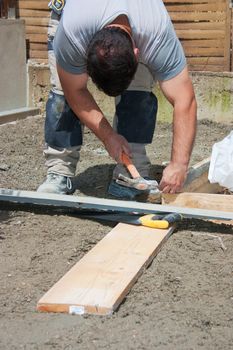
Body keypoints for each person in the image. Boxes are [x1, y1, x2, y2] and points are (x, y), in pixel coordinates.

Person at [37, 0, 197, 198]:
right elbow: (75, 91)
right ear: (85, 55)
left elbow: (185, 99)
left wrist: (179, 164)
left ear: (137, 54)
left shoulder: (156, 35)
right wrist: (108, 136)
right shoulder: (71, 34)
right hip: (70, 12)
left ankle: (131, 169)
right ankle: (58, 171)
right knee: (63, 94)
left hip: (137, 22)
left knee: (138, 92)